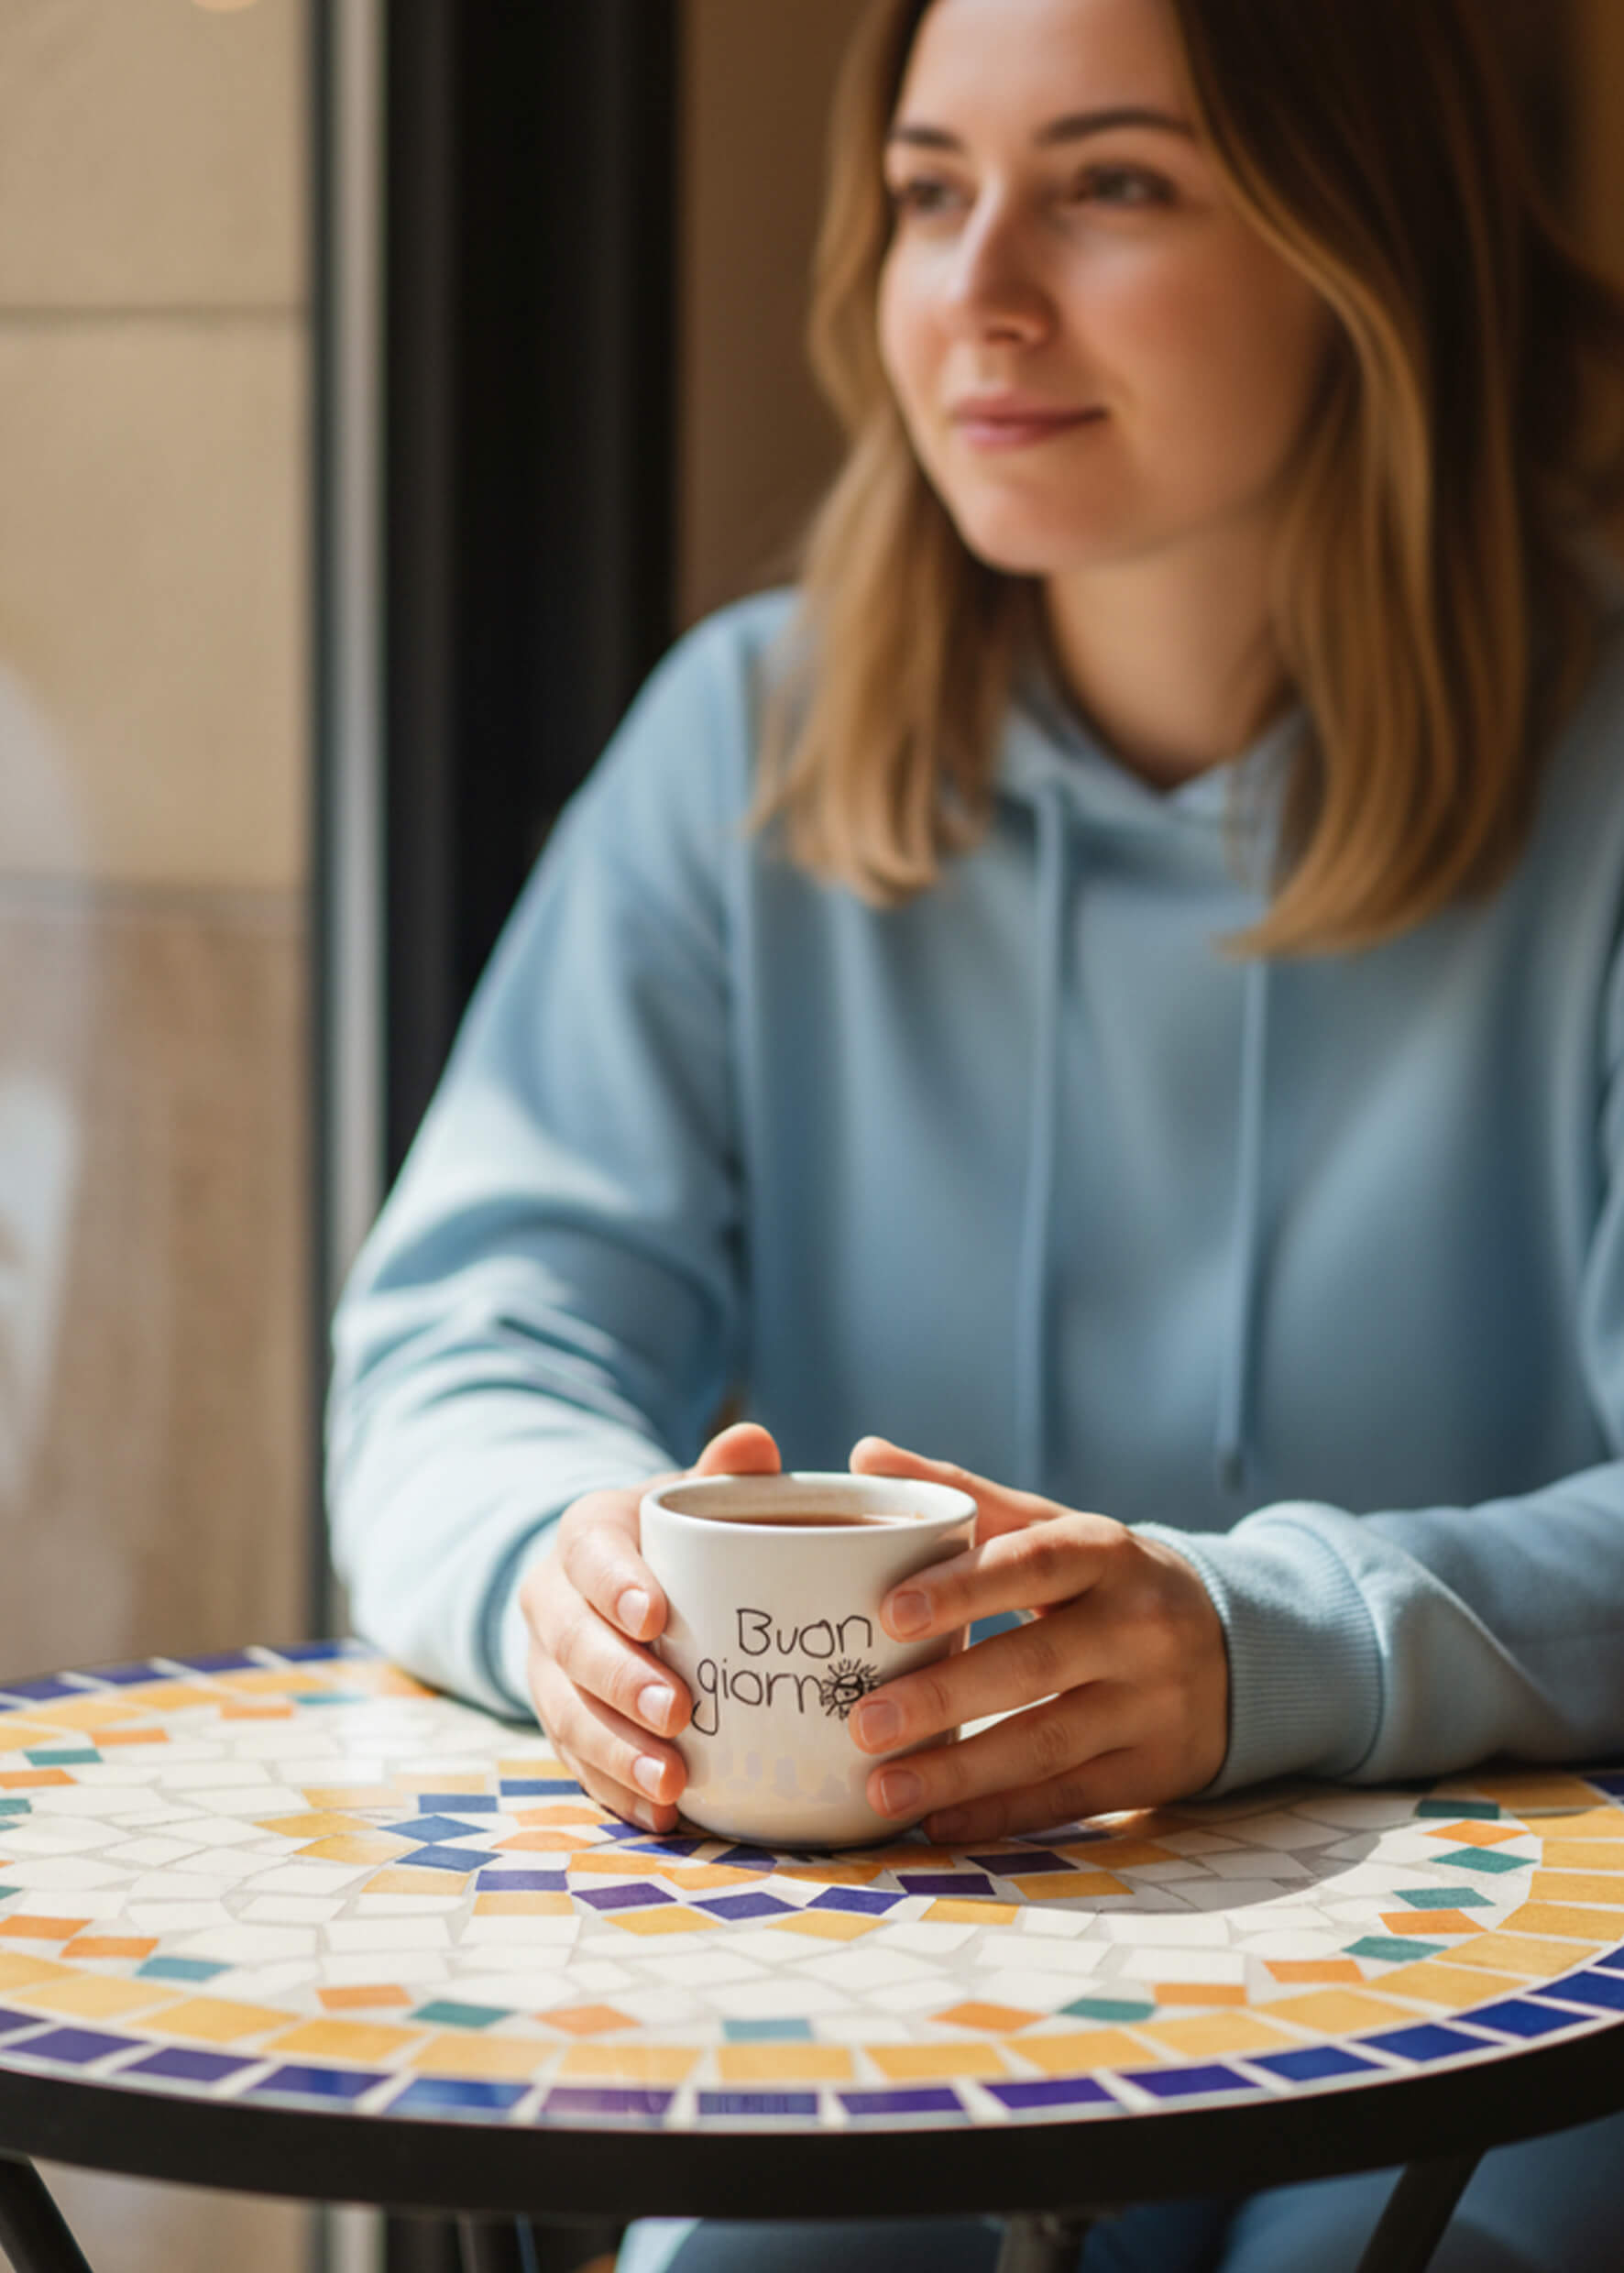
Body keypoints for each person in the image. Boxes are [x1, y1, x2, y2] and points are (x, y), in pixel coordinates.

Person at [327, 0, 1624, 2265]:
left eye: (1110, 182)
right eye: (932, 192)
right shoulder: (740, 741)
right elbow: (460, 1342)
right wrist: (571, 1575)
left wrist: (1255, 1646)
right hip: (876, 1975)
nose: (978, 291)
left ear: (1364, 250)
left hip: (1490, 2008)